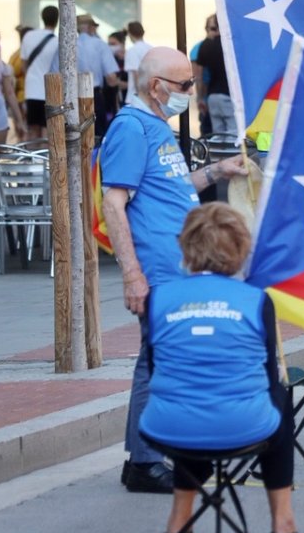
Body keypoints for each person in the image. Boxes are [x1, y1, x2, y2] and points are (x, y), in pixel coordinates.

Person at [101, 46, 247, 494]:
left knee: (161, 358)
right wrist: (132, 275)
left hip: (178, 265)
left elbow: (170, 188)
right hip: (159, 268)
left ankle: (147, 458)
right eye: (185, 85)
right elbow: (114, 202)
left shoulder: (154, 127)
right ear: (156, 87)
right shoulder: (131, 128)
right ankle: (144, 463)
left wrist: (217, 170)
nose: (192, 91)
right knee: (157, 361)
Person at [139, 203, 304, 533]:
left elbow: (156, 370)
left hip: (168, 425)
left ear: (186, 245)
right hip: (244, 426)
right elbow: (265, 378)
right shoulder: (255, 300)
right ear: (239, 247)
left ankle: (179, 525)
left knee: (196, 409)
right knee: (279, 399)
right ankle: (284, 527)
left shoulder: (157, 299)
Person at [52, 14, 119, 136]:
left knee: (74, 136)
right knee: (97, 136)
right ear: (91, 28)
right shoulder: (100, 45)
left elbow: (55, 76)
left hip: (71, 97)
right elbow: (111, 79)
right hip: (94, 96)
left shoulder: (65, 45)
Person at [19, 5, 60, 141]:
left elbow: (23, 65)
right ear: (57, 20)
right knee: (47, 130)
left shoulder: (28, 36)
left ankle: (31, 159)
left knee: (32, 130)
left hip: (31, 89)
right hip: (50, 90)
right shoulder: (57, 41)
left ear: (42, 18)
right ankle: (44, 161)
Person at [195, 23, 235, 135]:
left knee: (218, 136)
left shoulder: (206, 45)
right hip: (230, 96)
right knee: (234, 137)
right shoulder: (232, 44)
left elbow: (199, 76)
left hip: (212, 96)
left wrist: (201, 98)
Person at [123, 19, 153, 104]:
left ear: (130, 33)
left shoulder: (132, 51)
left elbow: (136, 75)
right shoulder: (151, 48)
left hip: (135, 98)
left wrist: (141, 98)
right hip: (150, 96)